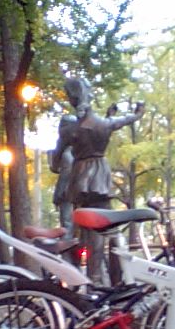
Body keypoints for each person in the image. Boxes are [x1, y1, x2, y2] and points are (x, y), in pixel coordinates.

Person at [50, 77, 145, 283]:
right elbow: (125, 120)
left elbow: (55, 160)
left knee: (83, 229)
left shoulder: (70, 130)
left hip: (81, 179)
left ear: (72, 99)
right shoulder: (103, 124)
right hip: (100, 176)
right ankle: (108, 278)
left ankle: (83, 276)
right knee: (107, 227)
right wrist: (138, 113)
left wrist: (57, 164)